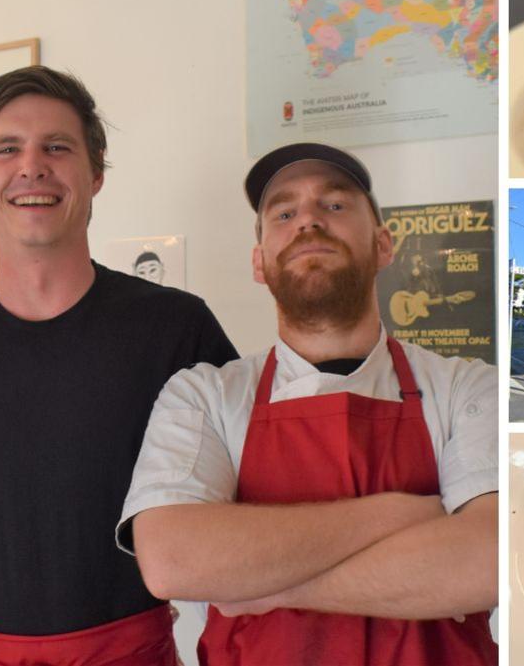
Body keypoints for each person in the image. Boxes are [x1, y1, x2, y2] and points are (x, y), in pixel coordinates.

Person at [0, 65, 238, 665]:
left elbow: (247, 493)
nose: (32, 167)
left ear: (96, 173)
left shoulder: (177, 327)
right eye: (7, 148)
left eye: (57, 147)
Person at [119, 143, 499, 665]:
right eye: (284, 212)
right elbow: (173, 560)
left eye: (336, 205)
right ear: (259, 261)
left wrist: (264, 588)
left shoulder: (469, 387)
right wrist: (407, 513)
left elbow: (487, 560)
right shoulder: (203, 394)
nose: (309, 221)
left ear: (385, 245)